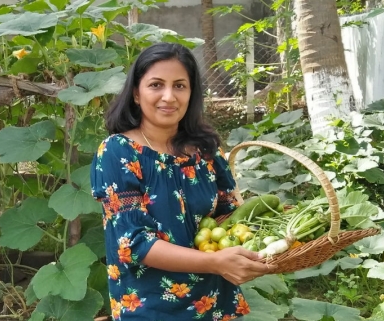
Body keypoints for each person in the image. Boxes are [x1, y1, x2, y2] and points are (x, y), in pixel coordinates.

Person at [90, 42, 274, 321]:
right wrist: (214, 262)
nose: (169, 96)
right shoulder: (118, 152)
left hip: (214, 300)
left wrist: (274, 226)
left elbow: (229, 215)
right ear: (136, 94)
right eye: (156, 85)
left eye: (179, 85)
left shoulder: (205, 150)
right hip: (150, 306)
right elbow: (133, 244)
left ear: (191, 93)